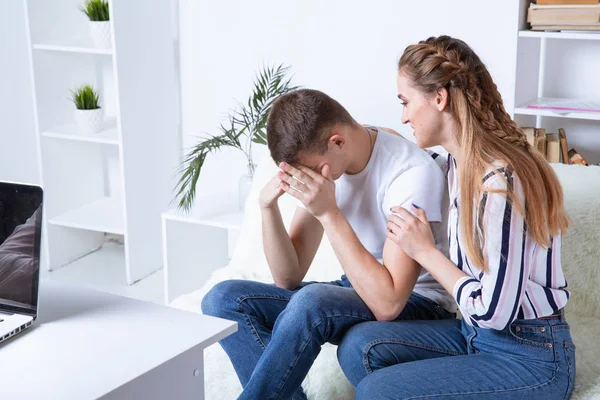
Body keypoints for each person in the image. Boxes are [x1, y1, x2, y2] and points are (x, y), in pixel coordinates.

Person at [337, 35, 575, 399]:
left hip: (531, 356)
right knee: (360, 346)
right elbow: (396, 156)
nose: (403, 117)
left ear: (439, 98)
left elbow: (494, 312)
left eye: (406, 102)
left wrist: (424, 251)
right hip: (475, 335)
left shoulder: (501, 183)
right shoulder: (453, 167)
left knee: (376, 392)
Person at [201, 88, 456, 400]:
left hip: (418, 303)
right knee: (222, 299)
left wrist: (329, 213)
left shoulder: (410, 173)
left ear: (337, 141)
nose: (308, 178)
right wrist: (266, 207)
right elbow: (288, 277)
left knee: (313, 301)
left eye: (310, 168)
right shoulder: (332, 163)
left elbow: (389, 303)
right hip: (356, 289)